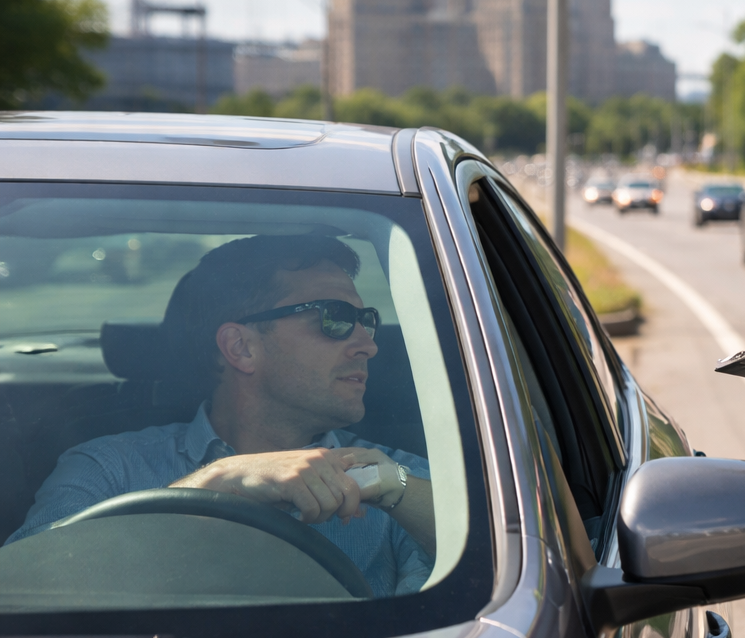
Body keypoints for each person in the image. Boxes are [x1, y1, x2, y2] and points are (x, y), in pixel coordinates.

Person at [9, 234, 434, 598]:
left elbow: (484, 577)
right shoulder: (107, 468)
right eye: (336, 318)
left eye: (366, 320)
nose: (368, 345)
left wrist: (392, 487)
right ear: (240, 347)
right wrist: (214, 484)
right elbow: (21, 590)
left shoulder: (395, 479)